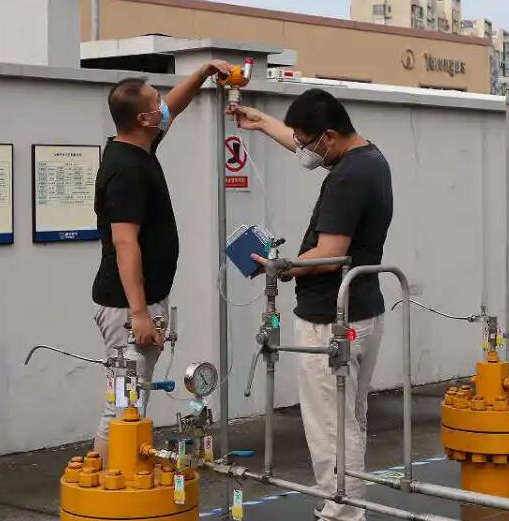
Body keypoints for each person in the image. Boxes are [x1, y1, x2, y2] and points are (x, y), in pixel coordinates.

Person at [228, 89, 394, 521]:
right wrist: (261, 122)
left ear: (329, 136)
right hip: (364, 310)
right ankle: (350, 507)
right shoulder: (370, 159)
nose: (302, 150)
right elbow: (305, 144)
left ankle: (342, 514)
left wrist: (280, 267)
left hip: (329, 319)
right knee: (349, 420)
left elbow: (330, 254)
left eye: (307, 142)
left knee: (331, 429)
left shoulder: (345, 179)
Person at [91, 60, 230, 458]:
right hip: (128, 308)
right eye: (156, 104)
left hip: (142, 301)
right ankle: (111, 481)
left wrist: (203, 73)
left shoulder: (138, 146)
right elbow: (124, 242)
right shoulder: (127, 170)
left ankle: (120, 476)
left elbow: (175, 107)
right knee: (123, 406)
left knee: (131, 403)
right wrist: (139, 314)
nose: (163, 108)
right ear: (142, 119)